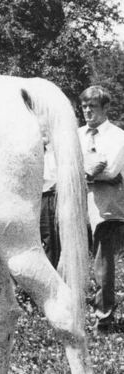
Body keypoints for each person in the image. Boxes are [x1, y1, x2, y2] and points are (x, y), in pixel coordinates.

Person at [78, 85, 124, 333]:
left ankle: (104, 317)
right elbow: (64, 168)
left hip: (107, 207)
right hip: (78, 203)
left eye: (92, 107)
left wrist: (86, 171)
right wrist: (92, 169)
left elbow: (112, 170)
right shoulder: (77, 135)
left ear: (106, 108)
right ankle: (75, 310)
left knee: (102, 261)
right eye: (84, 107)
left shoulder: (117, 136)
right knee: (73, 257)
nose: (87, 111)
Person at [40, 140, 61, 268]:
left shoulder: (56, 151)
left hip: (50, 196)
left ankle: (54, 272)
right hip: (35, 198)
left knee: (51, 239)